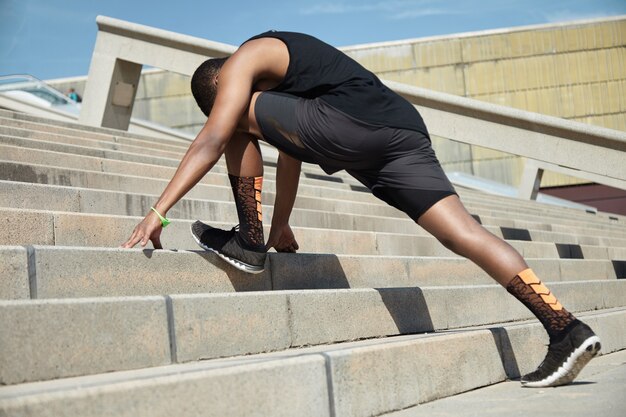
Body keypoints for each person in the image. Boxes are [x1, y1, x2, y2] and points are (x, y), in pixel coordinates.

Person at [121, 31, 601, 388]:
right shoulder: (290, 93)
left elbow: (215, 135)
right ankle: (564, 328)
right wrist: (281, 223)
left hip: (352, 126)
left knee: (231, 127)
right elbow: (291, 154)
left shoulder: (248, 56)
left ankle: (247, 240)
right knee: (462, 234)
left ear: (224, 80)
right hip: (401, 134)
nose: (231, 109)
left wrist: (158, 211)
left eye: (226, 100)